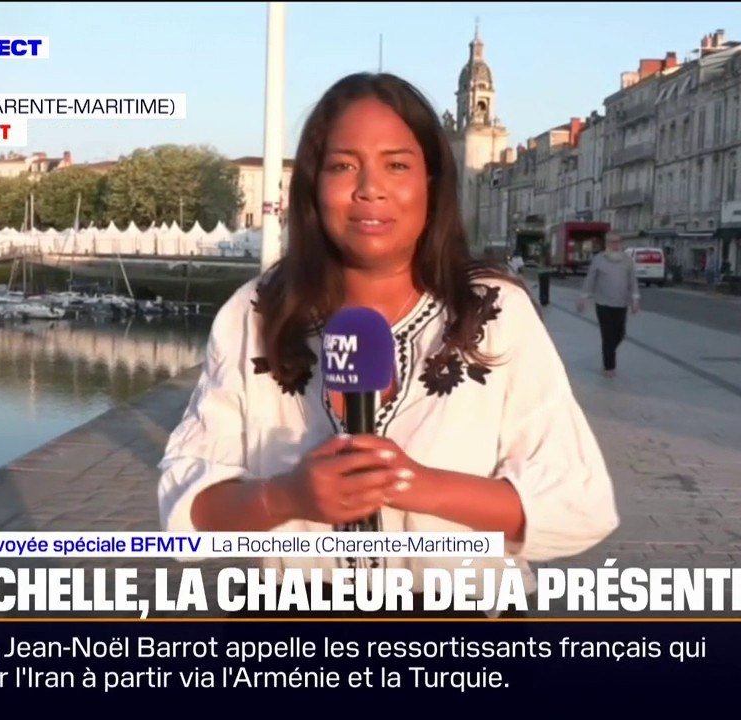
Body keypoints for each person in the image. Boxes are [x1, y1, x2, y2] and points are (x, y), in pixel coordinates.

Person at [157, 72, 619, 618]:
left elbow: (578, 505)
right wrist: (287, 497)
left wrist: (411, 484)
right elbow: (185, 513)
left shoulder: (494, 311)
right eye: (343, 165)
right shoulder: (257, 312)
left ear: (431, 182)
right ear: (311, 184)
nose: (369, 188)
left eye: (396, 164)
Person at [575, 234, 639, 377]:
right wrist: (583, 298)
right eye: (611, 242)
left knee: (620, 334)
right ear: (606, 243)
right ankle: (609, 366)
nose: (614, 245)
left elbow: (632, 281)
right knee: (607, 335)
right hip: (603, 303)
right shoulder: (599, 260)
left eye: (617, 242)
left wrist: (635, 299)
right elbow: (590, 280)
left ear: (621, 243)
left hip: (621, 303)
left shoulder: (627, 261)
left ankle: (609, 352)